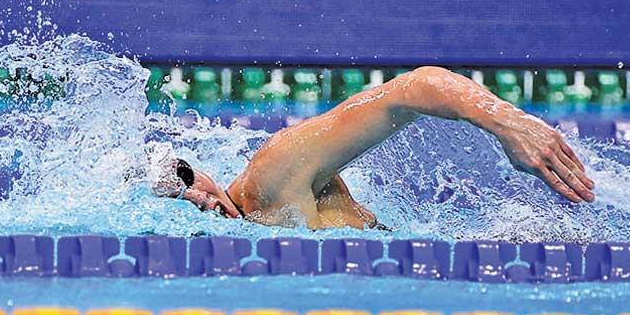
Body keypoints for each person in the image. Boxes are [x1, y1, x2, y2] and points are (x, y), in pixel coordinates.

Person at [155, 66, 595, 230]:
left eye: (186, 177)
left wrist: (508, 121)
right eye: (176, 199)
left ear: (201, 170)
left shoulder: (271, 176)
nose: (196, 198)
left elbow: (409, 89)